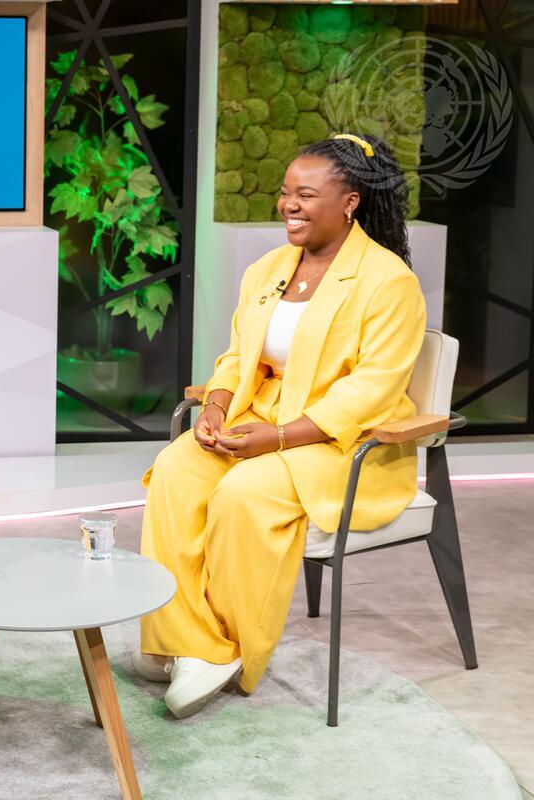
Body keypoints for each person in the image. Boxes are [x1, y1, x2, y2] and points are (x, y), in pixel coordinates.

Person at [134, 134, 426, 719]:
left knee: (244, 492)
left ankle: (225, 648)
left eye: (306, 195)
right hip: (262, 416)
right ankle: (182, 637)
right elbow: (240, 356)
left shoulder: (388, 281)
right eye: (286, 191)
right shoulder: (268, 269)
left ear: (349, 202)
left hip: (344, 440)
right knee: (176, 468)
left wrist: (282, 437)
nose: (289, 204)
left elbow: (372, 389)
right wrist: (216, 408)